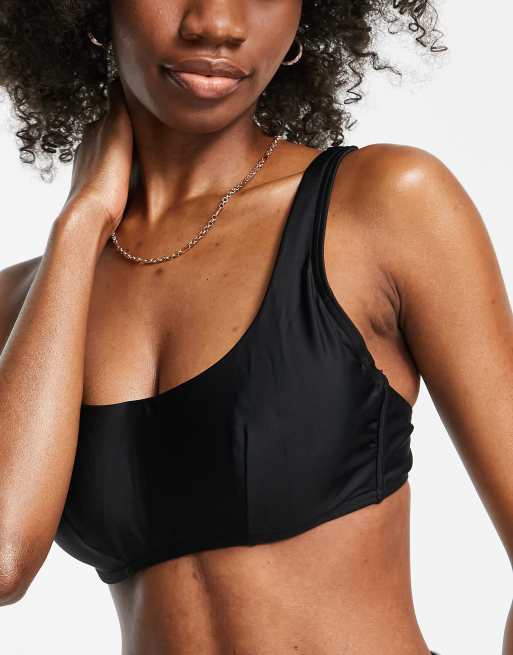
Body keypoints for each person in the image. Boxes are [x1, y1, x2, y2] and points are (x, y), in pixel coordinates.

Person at [0, 1, 511, 654]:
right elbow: (5, 561)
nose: (216, 23)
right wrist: (80, 222)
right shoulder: (28, 304)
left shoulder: (383, 206)